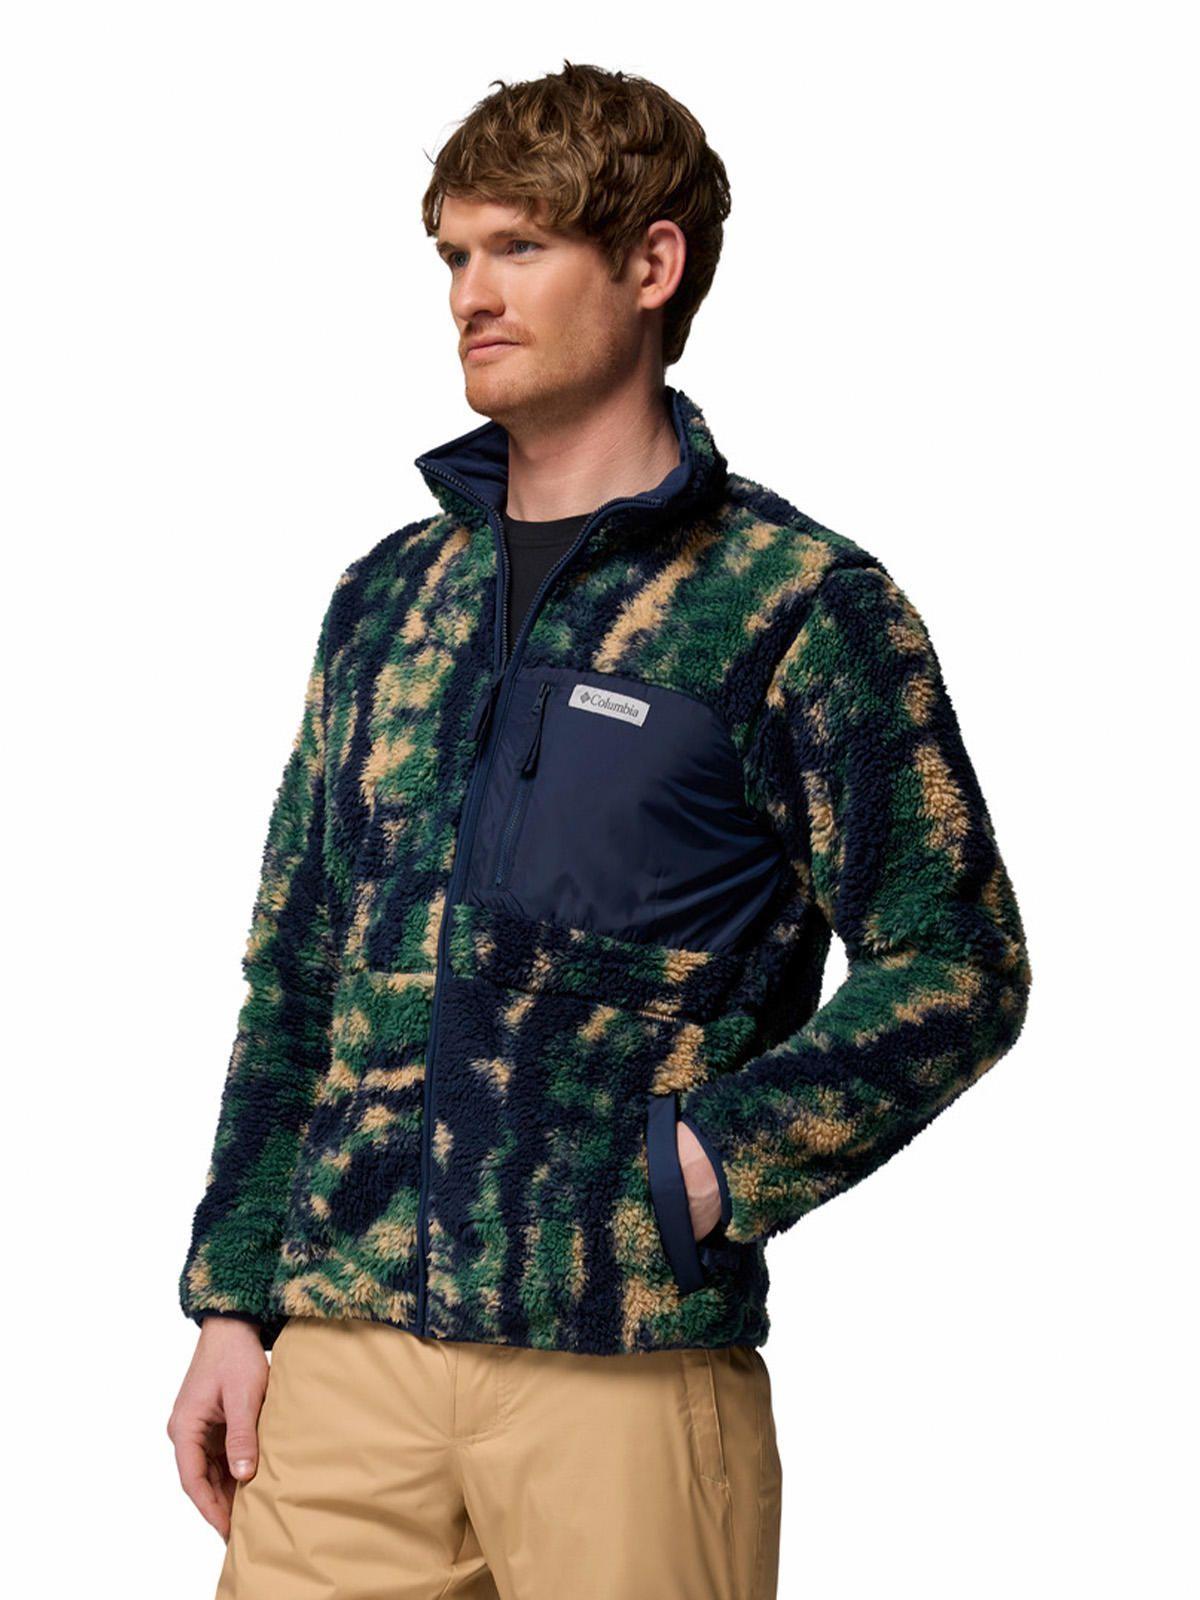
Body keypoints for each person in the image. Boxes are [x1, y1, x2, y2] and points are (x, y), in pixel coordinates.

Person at [167, 60, 1031, 1600]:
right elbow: (295, 973)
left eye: (521, 246)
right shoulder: (389, 600)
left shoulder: (793, 607)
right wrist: (233, 1301)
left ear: (650, 263)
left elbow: (958, 965)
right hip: (345, 1363)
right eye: (455, 252)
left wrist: (709, 1163)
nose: (470, 294)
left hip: (619, 1366)